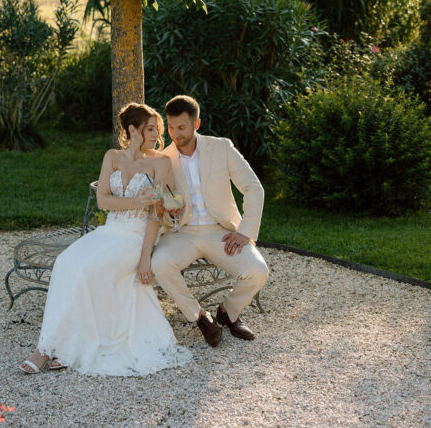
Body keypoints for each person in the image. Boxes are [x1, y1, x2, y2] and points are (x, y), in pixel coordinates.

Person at [20, 102, 193, 376]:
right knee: (66, 263)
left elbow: (154, 216)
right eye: (151, 129)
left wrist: (146, 256)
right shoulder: (112, 157)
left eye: (158, 130)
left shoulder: (160, 163)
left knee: (87, 270)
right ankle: (55, 346)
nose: (157, 136)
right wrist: (138, 199)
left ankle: (48, 351)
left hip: (135, 238)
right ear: (133, 130)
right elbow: (103, 201)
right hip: (109, 231)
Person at [150, 95, 268, 343]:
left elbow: (254, 188)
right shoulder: (162, 158)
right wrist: (167, 212)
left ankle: (228, 313)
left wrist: (245, 232)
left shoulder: (222, 147)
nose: (175, 133)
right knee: (160, 264)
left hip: (220, 231)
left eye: (181, 127)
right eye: (170, 127)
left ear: (196, 124)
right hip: (181, 233)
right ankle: (201, 318)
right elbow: (160, 201)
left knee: (258, 271)